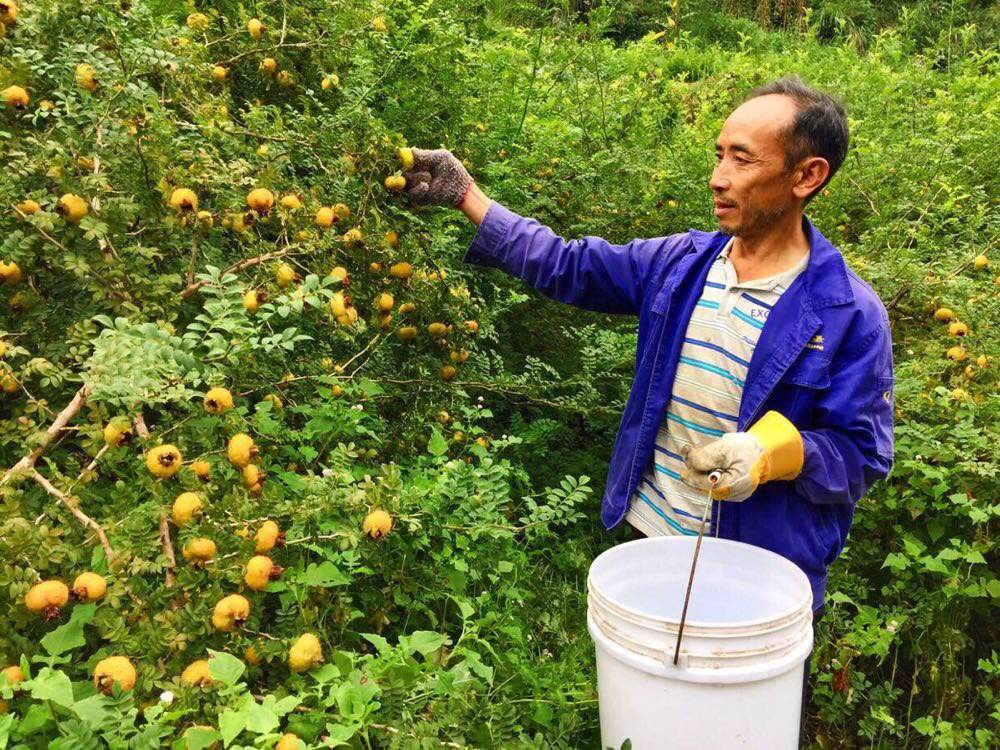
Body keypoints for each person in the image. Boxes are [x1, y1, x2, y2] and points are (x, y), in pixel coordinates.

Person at [400, 74, 895, 747]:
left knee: (735, 730)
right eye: (719, 153)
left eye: (743, 159)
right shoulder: (684, 264)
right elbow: (567, 265)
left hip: (756, 575)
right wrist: (468, 196)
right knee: (647, 722)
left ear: (807, 175)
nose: (719, 176)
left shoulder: (846, 313)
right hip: (654, 545)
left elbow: (861, 455)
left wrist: (774, 454)